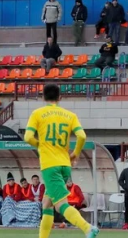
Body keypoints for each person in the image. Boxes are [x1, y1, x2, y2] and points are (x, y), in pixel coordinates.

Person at [23, 84, 100, 238]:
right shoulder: (70, 115)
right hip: (65, 164)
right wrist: (76, 153)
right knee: (47, 204)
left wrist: (41, 145)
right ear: (60, 98)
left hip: (50, 165)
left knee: (60, 205)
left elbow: (28, 137)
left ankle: (87, 228)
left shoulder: (37, 113)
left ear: (43, 97)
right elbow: (82, 136)